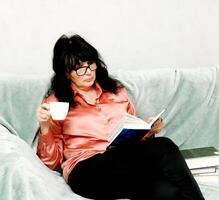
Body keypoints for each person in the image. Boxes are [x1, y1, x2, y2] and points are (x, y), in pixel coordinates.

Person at [35, 34, 205, 200]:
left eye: (90, 64)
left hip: (122, 163)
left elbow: (131, 136)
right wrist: (45, 126)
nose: (88, 72)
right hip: (86, 171)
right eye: (79, 68)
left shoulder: (116, 91)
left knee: (167, 192)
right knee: (164, 146)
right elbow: (51, 162)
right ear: (66, 73)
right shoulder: (57, 102)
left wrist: (149, 130)